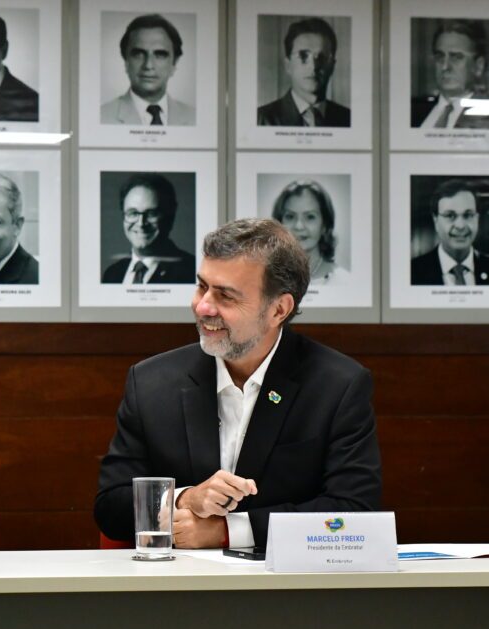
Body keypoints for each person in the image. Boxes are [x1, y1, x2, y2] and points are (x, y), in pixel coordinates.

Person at [95, 218, 381, 549]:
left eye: (225, 296)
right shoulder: (151, 382)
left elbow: (353, 511)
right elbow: (110, 506)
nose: (203, 307)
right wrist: (185, 498)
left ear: (279, 310)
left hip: (284, 578)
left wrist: (229, 532)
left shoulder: (338, 386)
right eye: (202, 286)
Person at [101, 14, 195, 126]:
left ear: (174, 64)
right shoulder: (102, 116)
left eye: (160, 55)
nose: (148, 65)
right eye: (138, 54)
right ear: (126, 61)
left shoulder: (195, 117)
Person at [102, 173, 196, 285]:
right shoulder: (112, 274)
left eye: (152, 213)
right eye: (133, 213)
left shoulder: (192, 272)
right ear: (123, 216)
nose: (141, 223)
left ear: (170, 217)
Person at [257, 17, 350, 128]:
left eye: (322, 58)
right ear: (288, 65)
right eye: (303, 56)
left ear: (332, 66)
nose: (313, 67)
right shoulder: (261, 120)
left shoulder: (348, 119)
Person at [411, 20, 489, 129]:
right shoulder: (413, 110)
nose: (445, 67)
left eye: (456, 57)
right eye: (440, 56)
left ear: (478, 66)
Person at [411, 178, 489, 285]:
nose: (460, 226)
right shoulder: (412, 273)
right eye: (450, 215)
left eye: (468, 215)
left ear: (477, 219)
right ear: (435, 221)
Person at [271, 179, 345, 283]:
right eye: (290, 216)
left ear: (324, 225)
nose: (299, 226)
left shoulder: (344, 280)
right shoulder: (267, 279)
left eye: (310, 217)